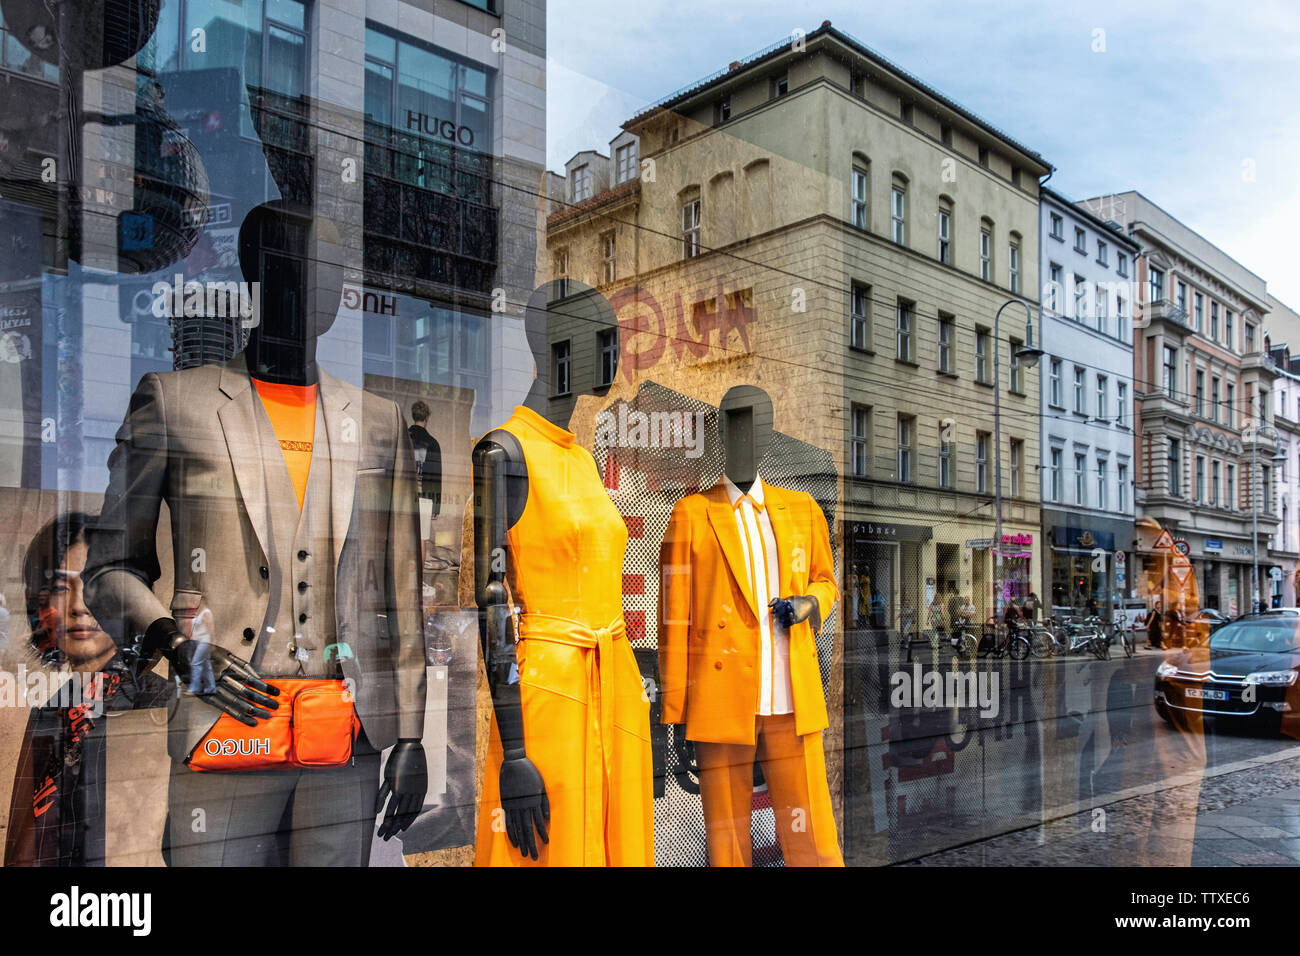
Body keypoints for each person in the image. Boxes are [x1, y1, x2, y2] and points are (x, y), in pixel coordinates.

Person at [6, 513, 173, 867]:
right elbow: (26, 840)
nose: (80, 606)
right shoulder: (55, 704)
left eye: (95, 587)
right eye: (62, 588)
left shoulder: (154, 705)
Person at [408, 399, 442, 512]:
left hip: (403, 497)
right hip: (424, 500)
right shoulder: (433, 443)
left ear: (414, 416)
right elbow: (436, 478)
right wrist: (436, 507)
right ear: (426, 418)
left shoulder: (403, 439)